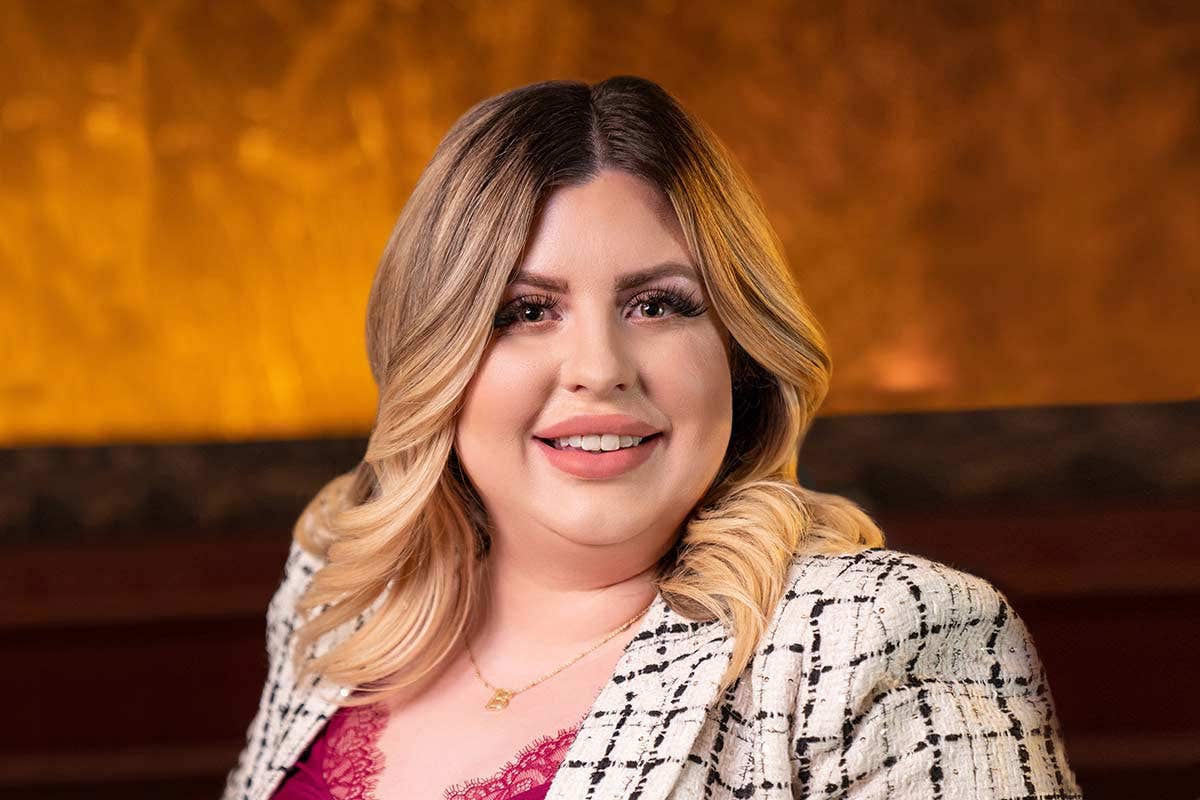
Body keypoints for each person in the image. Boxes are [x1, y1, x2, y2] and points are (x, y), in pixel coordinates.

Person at [221, 76, 1083, 800]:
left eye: (658, 304)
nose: (599, 369)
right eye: (527, 311)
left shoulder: (876, 638)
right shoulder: (343, 594)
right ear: (435, 356)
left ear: (738, 351)